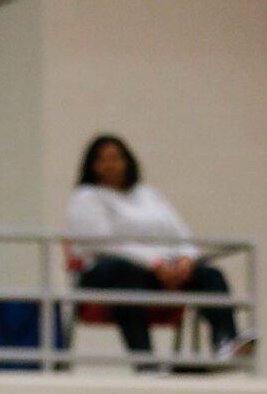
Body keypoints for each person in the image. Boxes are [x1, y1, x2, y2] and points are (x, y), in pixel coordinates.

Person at [66, 134, 253, 363]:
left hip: (158, 272)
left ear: (128, 161)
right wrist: (155, 263)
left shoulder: (148, 194)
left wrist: (185, 260)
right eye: (102, 159)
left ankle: (225, 342)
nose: (110, 164)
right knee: (123, 273)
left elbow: (181, 234)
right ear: (92, 165)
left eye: (116, 158)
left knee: (210, 275)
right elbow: (105, 243)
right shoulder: (86, 197)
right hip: (107, 274)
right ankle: (146, 361)